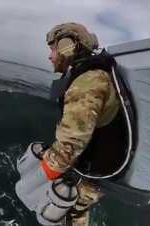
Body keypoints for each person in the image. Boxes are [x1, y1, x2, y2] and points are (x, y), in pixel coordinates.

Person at [41, 22, 120, 226]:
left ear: (68, 46)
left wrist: (48, 166)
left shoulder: (88, 81)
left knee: (71, 214)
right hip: (94, 164)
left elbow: (73, 141)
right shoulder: (90, 74)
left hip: (95, 170)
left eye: (53, 50)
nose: (50, 56)